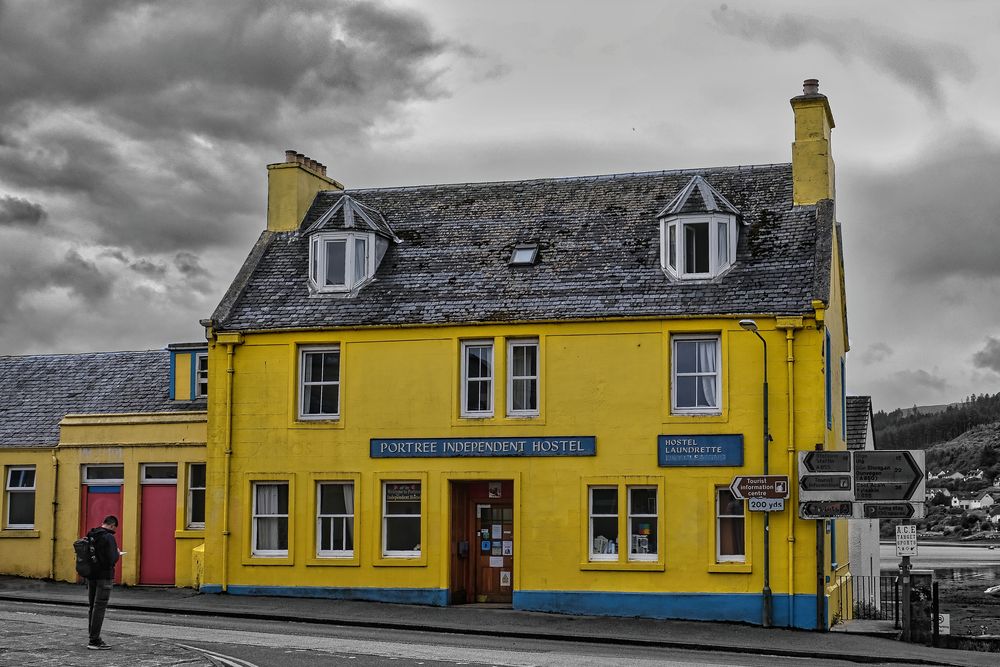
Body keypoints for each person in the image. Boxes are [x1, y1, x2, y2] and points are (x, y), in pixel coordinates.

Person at [85, 515, 120, 650]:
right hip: (104, 576)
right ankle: (94, 641)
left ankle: (92, 636)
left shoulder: (91, 534)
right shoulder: (108, 537)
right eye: (114, 528)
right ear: (112, 525)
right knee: (100, 607)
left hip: (91, 575)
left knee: (92, 607)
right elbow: (111, 559)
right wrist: (117, 553)